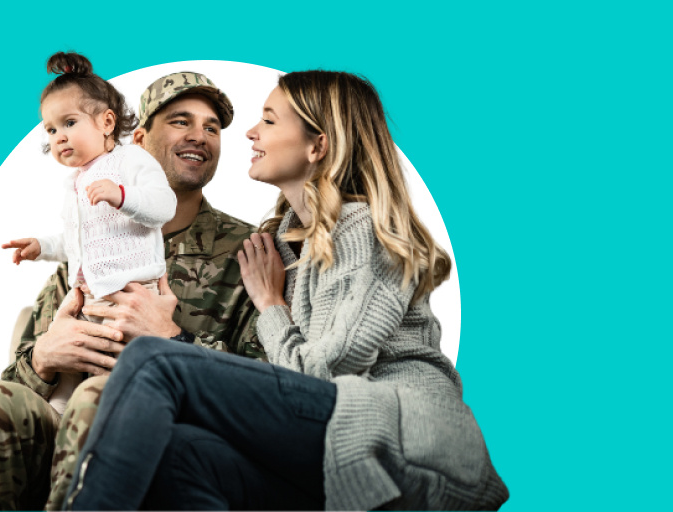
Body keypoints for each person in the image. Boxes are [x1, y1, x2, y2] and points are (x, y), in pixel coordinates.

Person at [65, 70, 509, 510]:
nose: (252, 133)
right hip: (339, 443)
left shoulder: (360, 231)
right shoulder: (283, 244)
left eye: (270, 121)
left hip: (410, 439)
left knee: (154, 362)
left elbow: (322, 375)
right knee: (183, 454)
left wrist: (270, 306)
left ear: (318, 145)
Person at [0, 68, 266, 510]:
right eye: (180, 121)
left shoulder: (247, 251)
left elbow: (269, 394)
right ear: (141, 139)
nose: (200, 136)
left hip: (176, 443)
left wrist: (174, 342)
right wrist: (44, 358)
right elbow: (20, 379)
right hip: (63, 432)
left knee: (101, 399)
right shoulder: (88, 247)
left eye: (211, 127)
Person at [0, 52, 176, 414]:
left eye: (69, 123)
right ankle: (60, 416)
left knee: (112, 367)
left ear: (106, 122)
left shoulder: (132, 162)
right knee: (70, 366)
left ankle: (105, 418)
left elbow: (163, 207)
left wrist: (122, 196)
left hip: (131, 296)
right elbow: (76, 241)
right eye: (50, 129)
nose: (59, 137)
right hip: (87, 297)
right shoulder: (75, 183)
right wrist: (42, 246)